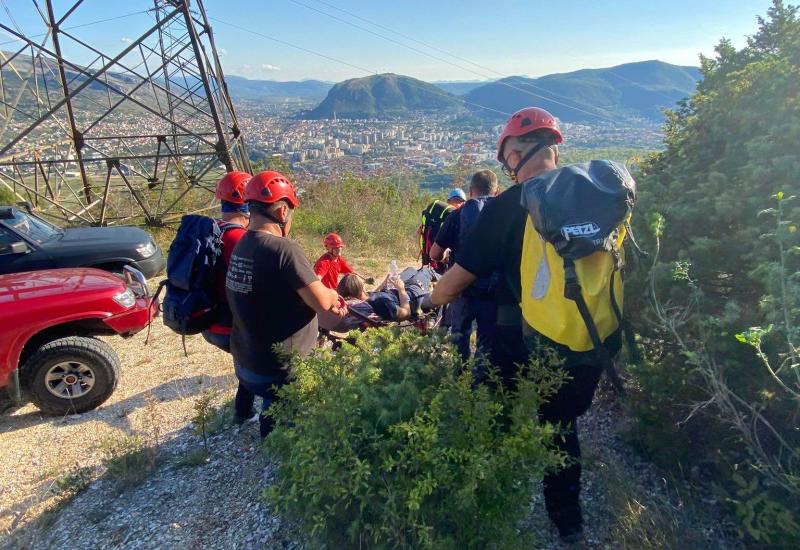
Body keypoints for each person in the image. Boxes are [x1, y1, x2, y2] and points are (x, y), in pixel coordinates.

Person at [432, 107, 619, 542]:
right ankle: (568, 522)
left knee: (494, 414)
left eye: (506, 160)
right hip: (586, 339)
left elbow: (456, 281)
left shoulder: (507, 207)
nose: (507, 169)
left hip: (515, 339)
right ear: (554, 148)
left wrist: (431, 296)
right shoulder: (592, 195)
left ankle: (491, 499)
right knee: (560, 430)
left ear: (516, 152)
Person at [226, 171, 345, 438]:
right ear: (281, 212)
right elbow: (322, 301)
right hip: (277, 372)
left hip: (244, 363)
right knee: (281, 416)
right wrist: (334, 296)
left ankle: (243, 414)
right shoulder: (283, 249)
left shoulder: (241, 244)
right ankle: (275, 441)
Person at [430, 170, 499, 360]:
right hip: (494, 289)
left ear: (470, 191)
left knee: (459, 336)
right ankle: (481, 381)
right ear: (496, 190)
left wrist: (447, 254)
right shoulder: (504, 214)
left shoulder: (457, 215)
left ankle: (459, 380)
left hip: (463, 289)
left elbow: (434, 253)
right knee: (488, 341)